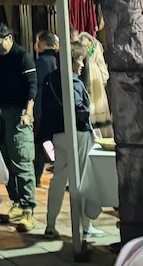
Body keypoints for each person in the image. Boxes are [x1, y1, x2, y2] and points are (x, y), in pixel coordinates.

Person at [40, 43, 101, 240]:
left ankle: (50, 224)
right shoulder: (73, 82)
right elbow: (79, 108)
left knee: (58, 179)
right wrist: (86, 111)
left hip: (58, 134)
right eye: (80, 60)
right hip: (78, 133)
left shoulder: (50, 80)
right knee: (82, 178)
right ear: (72, 60)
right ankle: (85, 224)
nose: (82, 64)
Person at [0, 23, 37, 227]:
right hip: (2, 113)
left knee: (22, 160)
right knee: (7, 160)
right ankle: (16, 201)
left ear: (9, 37)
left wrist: (28, 113)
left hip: (19, 114)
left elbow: (32, 86)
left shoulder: (23, 56)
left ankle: (28, 208)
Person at [32, 32, 60, 187]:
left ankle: (36, 176)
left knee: (41, 142)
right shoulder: (59, 60)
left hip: (42, 109)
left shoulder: (40, 63)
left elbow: (37, 89)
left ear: (41, 44)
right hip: (58, 109)